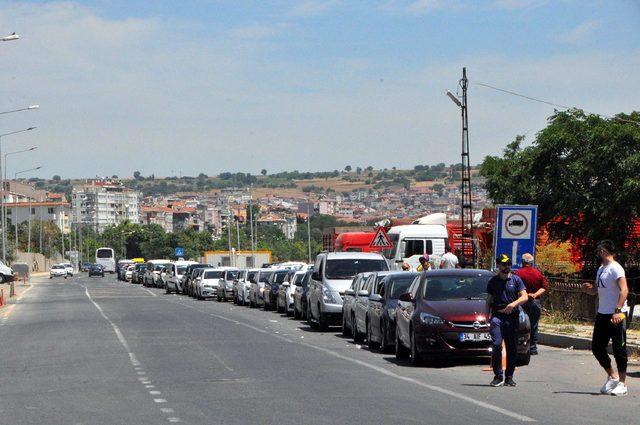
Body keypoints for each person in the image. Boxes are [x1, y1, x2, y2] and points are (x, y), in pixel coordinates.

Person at [581, 240, 629, 396]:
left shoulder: (616, 268)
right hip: (602, 314)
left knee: (618, 349)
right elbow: (597, 289)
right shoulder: (601, 269)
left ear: (603, 251)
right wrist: (589, 289)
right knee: (597, 347)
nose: (597, 253)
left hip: (617, 314)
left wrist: (618, 309)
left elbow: (624, 290)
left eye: (598, 251)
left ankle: (622, 383)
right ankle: (613, 376)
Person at [486, 254, 528, 387]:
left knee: (512, 348)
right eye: (504, 264)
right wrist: (487, 317)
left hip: (512, 318)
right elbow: (489, 300)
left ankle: (509, 377)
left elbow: (525, 297)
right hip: (497, 317)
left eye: (509, 264)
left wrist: (513, 305)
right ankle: (498, 376)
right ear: (498, 265)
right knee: (497, 344)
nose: (507, 266)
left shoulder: (516, 280)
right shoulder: (493, 281)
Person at [514, 253, 548, 355]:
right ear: (532, 262)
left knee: (520, 325)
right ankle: (533, 348)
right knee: (534, 325)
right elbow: (544, 287)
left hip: (522, 302)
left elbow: (515, 288)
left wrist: (525, 295)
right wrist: (535, 294)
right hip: (535, 302)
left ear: (522, 262)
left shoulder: (518, 273)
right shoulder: (538, 273)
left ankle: (520, 347)